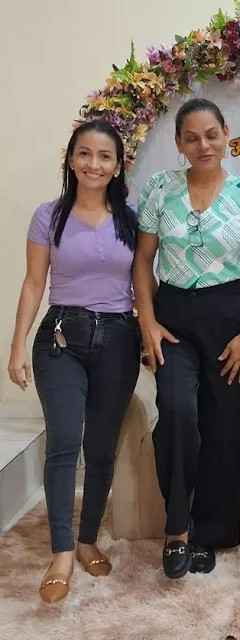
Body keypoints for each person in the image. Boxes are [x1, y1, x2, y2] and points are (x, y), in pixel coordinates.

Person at [132, 98, 240, 579]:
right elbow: (142, 260)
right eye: (191, 138)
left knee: (225, 426)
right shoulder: (159, 189)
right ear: (179, 143)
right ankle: (177, 528)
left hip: (230, 314)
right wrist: (147, 321)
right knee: (176, 411)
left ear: (226, 134)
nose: (203, 145)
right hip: (172, 314)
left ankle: (211, 533)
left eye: (211, 135)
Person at [8, 120, 140, 604]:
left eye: (105, 156)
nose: (93, 164)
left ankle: (87, 540)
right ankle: (61, 551)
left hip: (119, 339)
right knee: (64, 441)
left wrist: (150, 333)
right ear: (70, 159)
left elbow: (144, 284)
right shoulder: (49, 216)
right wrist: (17, 344)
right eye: (84, 154)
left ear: (118, 166)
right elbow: (32, 283)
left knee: (100, 447)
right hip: (62, 338)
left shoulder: (132, 219)